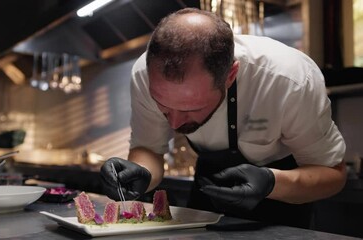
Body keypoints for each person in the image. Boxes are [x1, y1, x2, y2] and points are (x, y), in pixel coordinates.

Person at [100, 8, 346, 228]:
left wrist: (272, 183)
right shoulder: (144, 75)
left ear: (230, 76)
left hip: (286, 201)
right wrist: (141, 174)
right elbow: (149, 149)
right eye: (163, 106)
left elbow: (333, 175)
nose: (174, 124)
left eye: (190, 108)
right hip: (206, 194)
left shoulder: (291, 80)